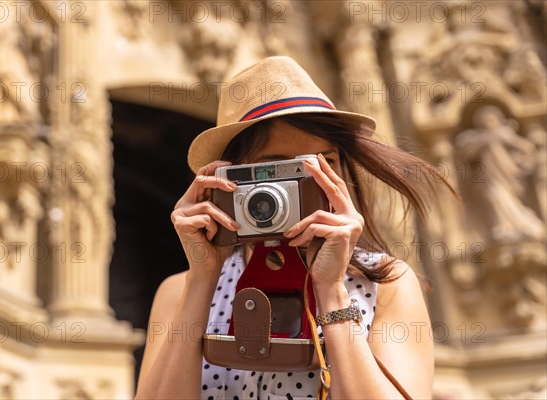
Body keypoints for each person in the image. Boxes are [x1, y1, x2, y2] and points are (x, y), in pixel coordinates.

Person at [135, 56, 452, 399]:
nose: (306, 183)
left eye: (322, 164)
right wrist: (202, 279)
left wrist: (331, 292)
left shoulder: (386, 282)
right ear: (227, 181)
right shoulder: (179, 291)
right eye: (276, 169)